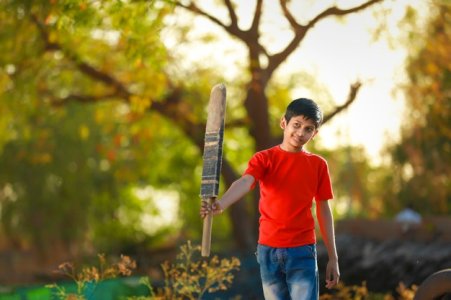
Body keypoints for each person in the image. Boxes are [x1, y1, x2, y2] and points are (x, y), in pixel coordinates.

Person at [200, 98, 340, 300]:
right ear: (284, 122)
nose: (301, 133)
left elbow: (324, 210)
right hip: (268, 251)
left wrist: (333, 257)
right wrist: (221, 204)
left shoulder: (318, 165)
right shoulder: (264, 158)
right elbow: (245, 182)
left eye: (308, 129)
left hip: (302, 251)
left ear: (315, 133)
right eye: (297, 125)